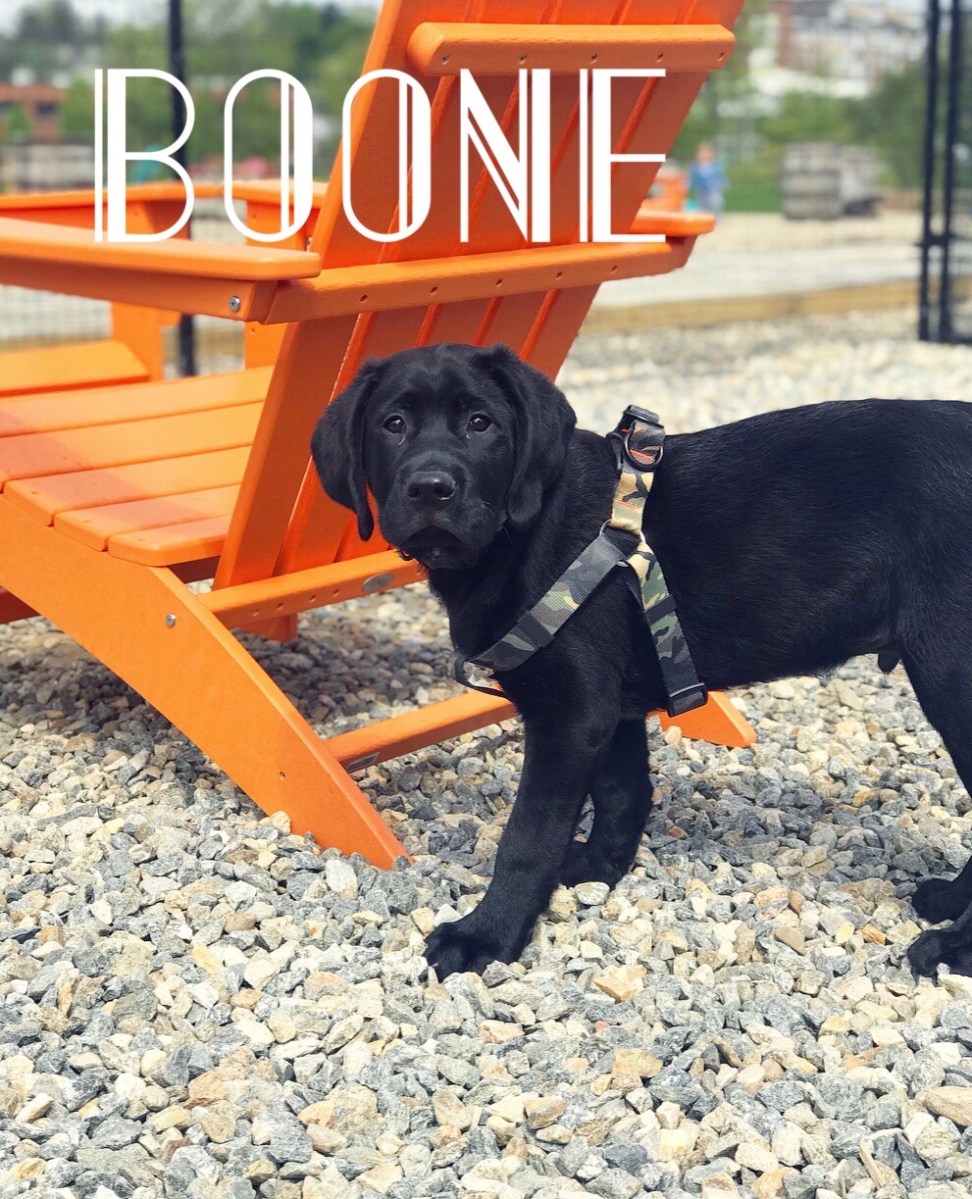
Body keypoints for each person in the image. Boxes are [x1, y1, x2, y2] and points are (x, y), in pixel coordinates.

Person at [688, 142, 726, 215]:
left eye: (706, 152)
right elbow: (691, 179)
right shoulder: (695, 167)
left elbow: (721, 179)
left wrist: (720, 185)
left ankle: (715, 217)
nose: (704, 155)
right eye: (701, 153)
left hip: (713, 193)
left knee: (716, 204)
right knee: (701, 209)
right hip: (701, 194)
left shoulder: (716, 167)